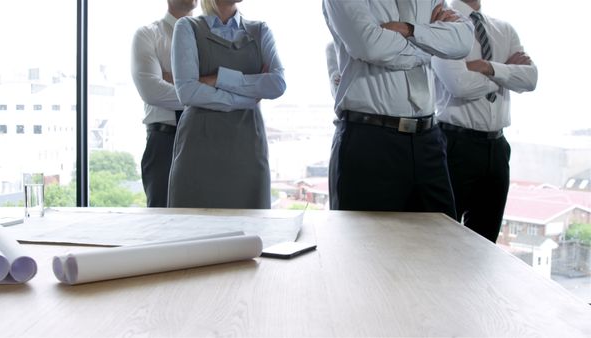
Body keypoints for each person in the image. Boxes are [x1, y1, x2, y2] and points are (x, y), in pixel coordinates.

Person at [322, 0, 474, 216]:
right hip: (370, 142)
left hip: (428, 141)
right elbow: (369, 46)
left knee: (442, 241)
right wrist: (430, 46)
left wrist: (407, 30)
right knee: (366, 244)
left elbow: (463, 41)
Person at [431, 0, 538, 242]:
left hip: (497, 148)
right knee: (442, 240)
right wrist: (506, 72)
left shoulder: (505, 29)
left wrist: (486, 66)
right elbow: (459, 85)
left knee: (485, 246)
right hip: (454, 144)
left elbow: (531, 79)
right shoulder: (443, 23)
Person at [169, 0, 286, 208]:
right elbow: (188, 92)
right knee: (194, 228)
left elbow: (276, 84)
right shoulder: (188, 27)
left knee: (251, 227)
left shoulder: (260, 30)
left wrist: (219, 78)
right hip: (199, 144)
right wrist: (249, 96)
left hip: (248, 145)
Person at [131, 0, 198, 207]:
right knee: (162, 219)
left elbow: (226, 85)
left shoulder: (208, 37)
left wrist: (176, 81)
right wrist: (204, 91)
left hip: (206, 138)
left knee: (209, 222)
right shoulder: (148, 34)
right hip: (165, 142)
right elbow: (151, 91)